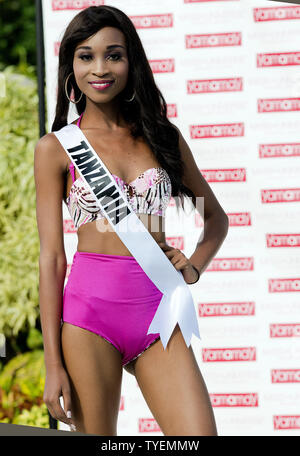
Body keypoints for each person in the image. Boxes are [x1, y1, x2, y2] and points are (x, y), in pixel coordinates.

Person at [34, 5, 228, 436]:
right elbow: (51, 260)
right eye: (86, 56)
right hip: (88, 319)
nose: (100, 68)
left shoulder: (162, 137)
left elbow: (215, 218)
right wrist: (52, 363)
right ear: (70, 66)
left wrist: (194, 265)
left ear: (131, 62)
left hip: (159, 310)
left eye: (113, 55)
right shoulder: (56, 149)